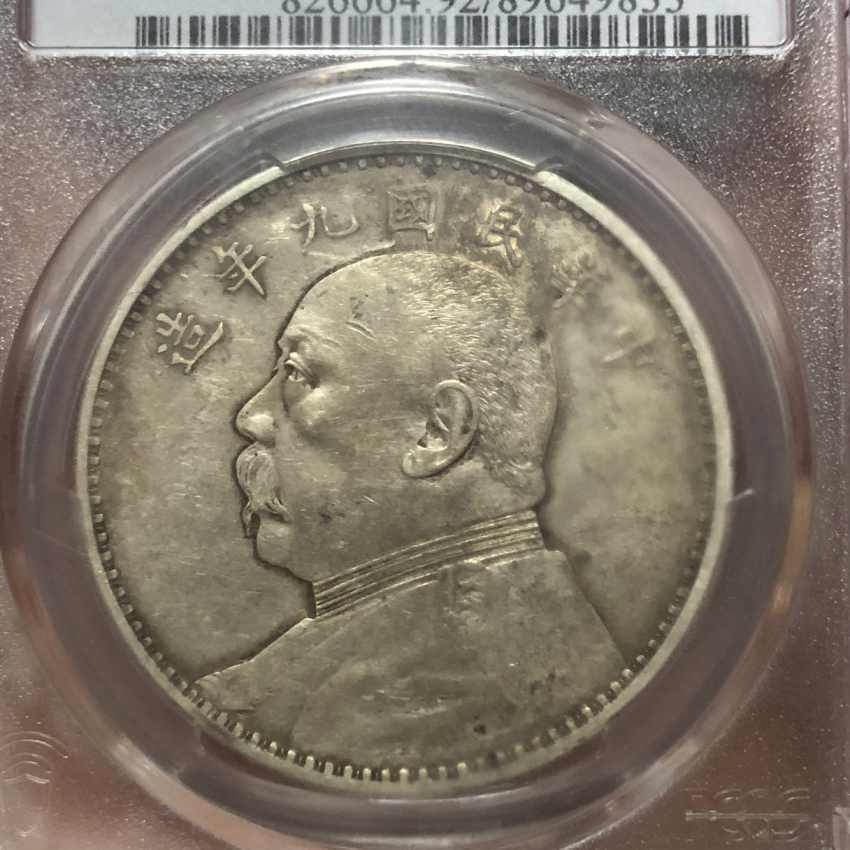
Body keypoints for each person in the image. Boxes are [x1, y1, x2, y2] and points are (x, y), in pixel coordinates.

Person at [195, 250, 623, 769]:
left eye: (297, 374)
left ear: (437, 433)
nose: (251, 416)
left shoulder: (432, 694)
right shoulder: (490, 632)